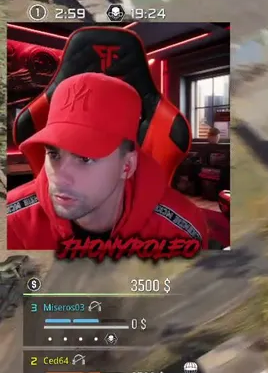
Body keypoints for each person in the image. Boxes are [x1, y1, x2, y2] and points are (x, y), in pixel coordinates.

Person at [7, 73, 210, 251]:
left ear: (127, 166)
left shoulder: (179, 232)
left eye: (84, 158)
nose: (59, 178)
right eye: (54, 154)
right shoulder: (11, 220)